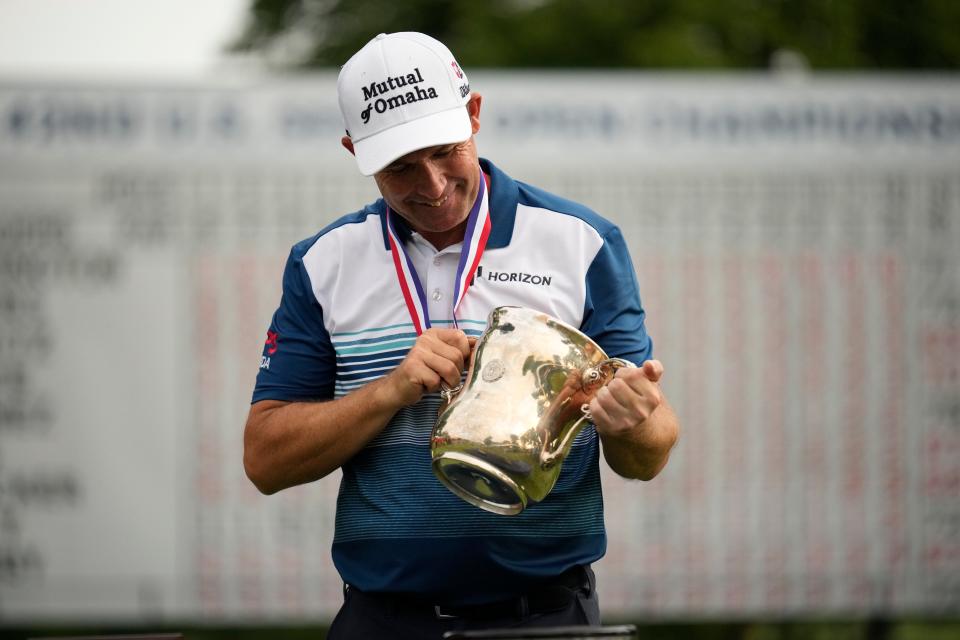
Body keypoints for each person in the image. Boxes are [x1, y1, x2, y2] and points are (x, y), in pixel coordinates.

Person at [244, 31, 680, 639]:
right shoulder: (322, 263)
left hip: (546, 617)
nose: (432, 184)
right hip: (384, 619)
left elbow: (651, 452)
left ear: (474, 114)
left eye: (446, 150)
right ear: (353, 151)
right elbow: (265, 460)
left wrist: (633, 419)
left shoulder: (581, 243)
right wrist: (389, 391)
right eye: (400, 166)